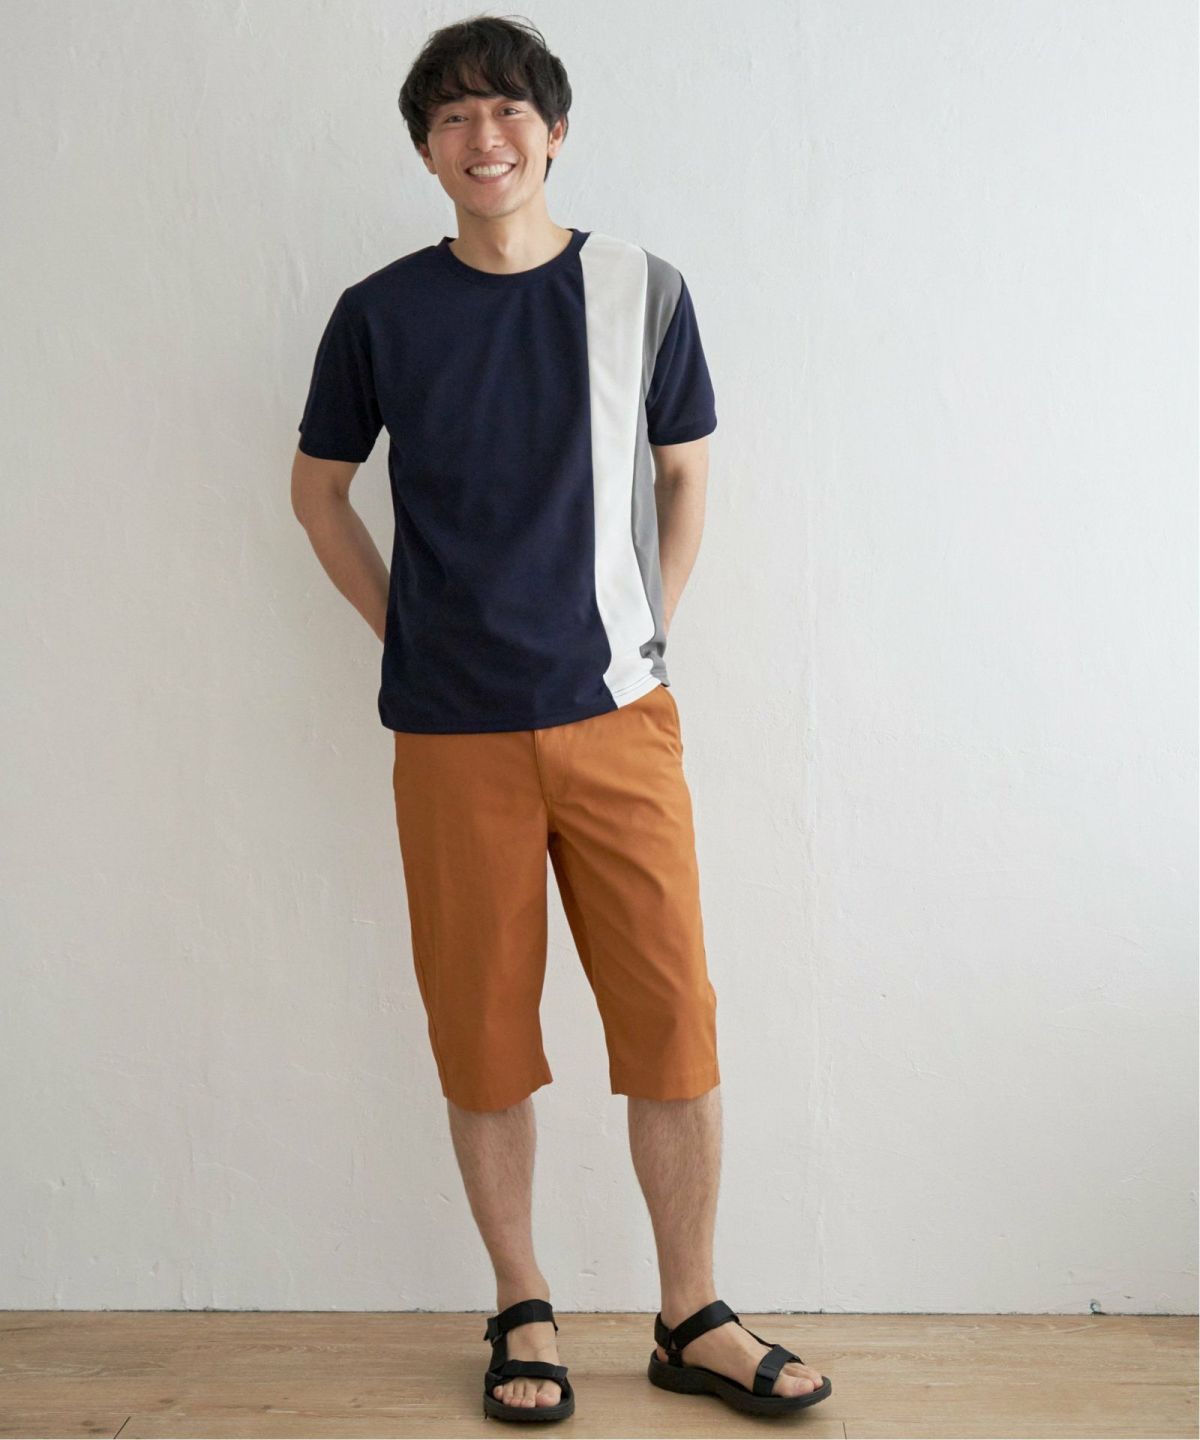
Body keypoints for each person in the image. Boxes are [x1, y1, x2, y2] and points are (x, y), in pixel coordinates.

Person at [291, 13, 831, 1425]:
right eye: (453, 118)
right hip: (450, 733)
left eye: (508, 112)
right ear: (427, 150)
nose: (485, 138)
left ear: (555, 131)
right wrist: (407, 631)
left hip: (617, 718)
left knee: (673, 1021)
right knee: (481, 1033)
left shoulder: (643, 288)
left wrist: (644, 635)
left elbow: (685, 475)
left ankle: (691, 1314)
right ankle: (521, 1305)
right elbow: (316, 494)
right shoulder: (379, 312)